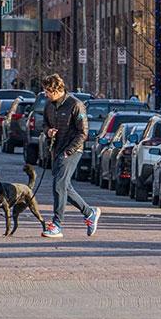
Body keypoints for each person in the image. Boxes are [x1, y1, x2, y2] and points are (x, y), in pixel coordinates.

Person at [40, 73, 100, 239]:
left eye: (47, 91)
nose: (45, 94)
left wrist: (69, 151)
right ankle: (89, 213)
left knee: (58, 185)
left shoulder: (75, 104)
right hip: (56, 149)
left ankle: (57, 225)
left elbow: (83, 132)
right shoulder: (49, 105)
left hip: (71, 151)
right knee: (65, 186)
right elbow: (44, 124)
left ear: (56, 90)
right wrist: (48, 131)